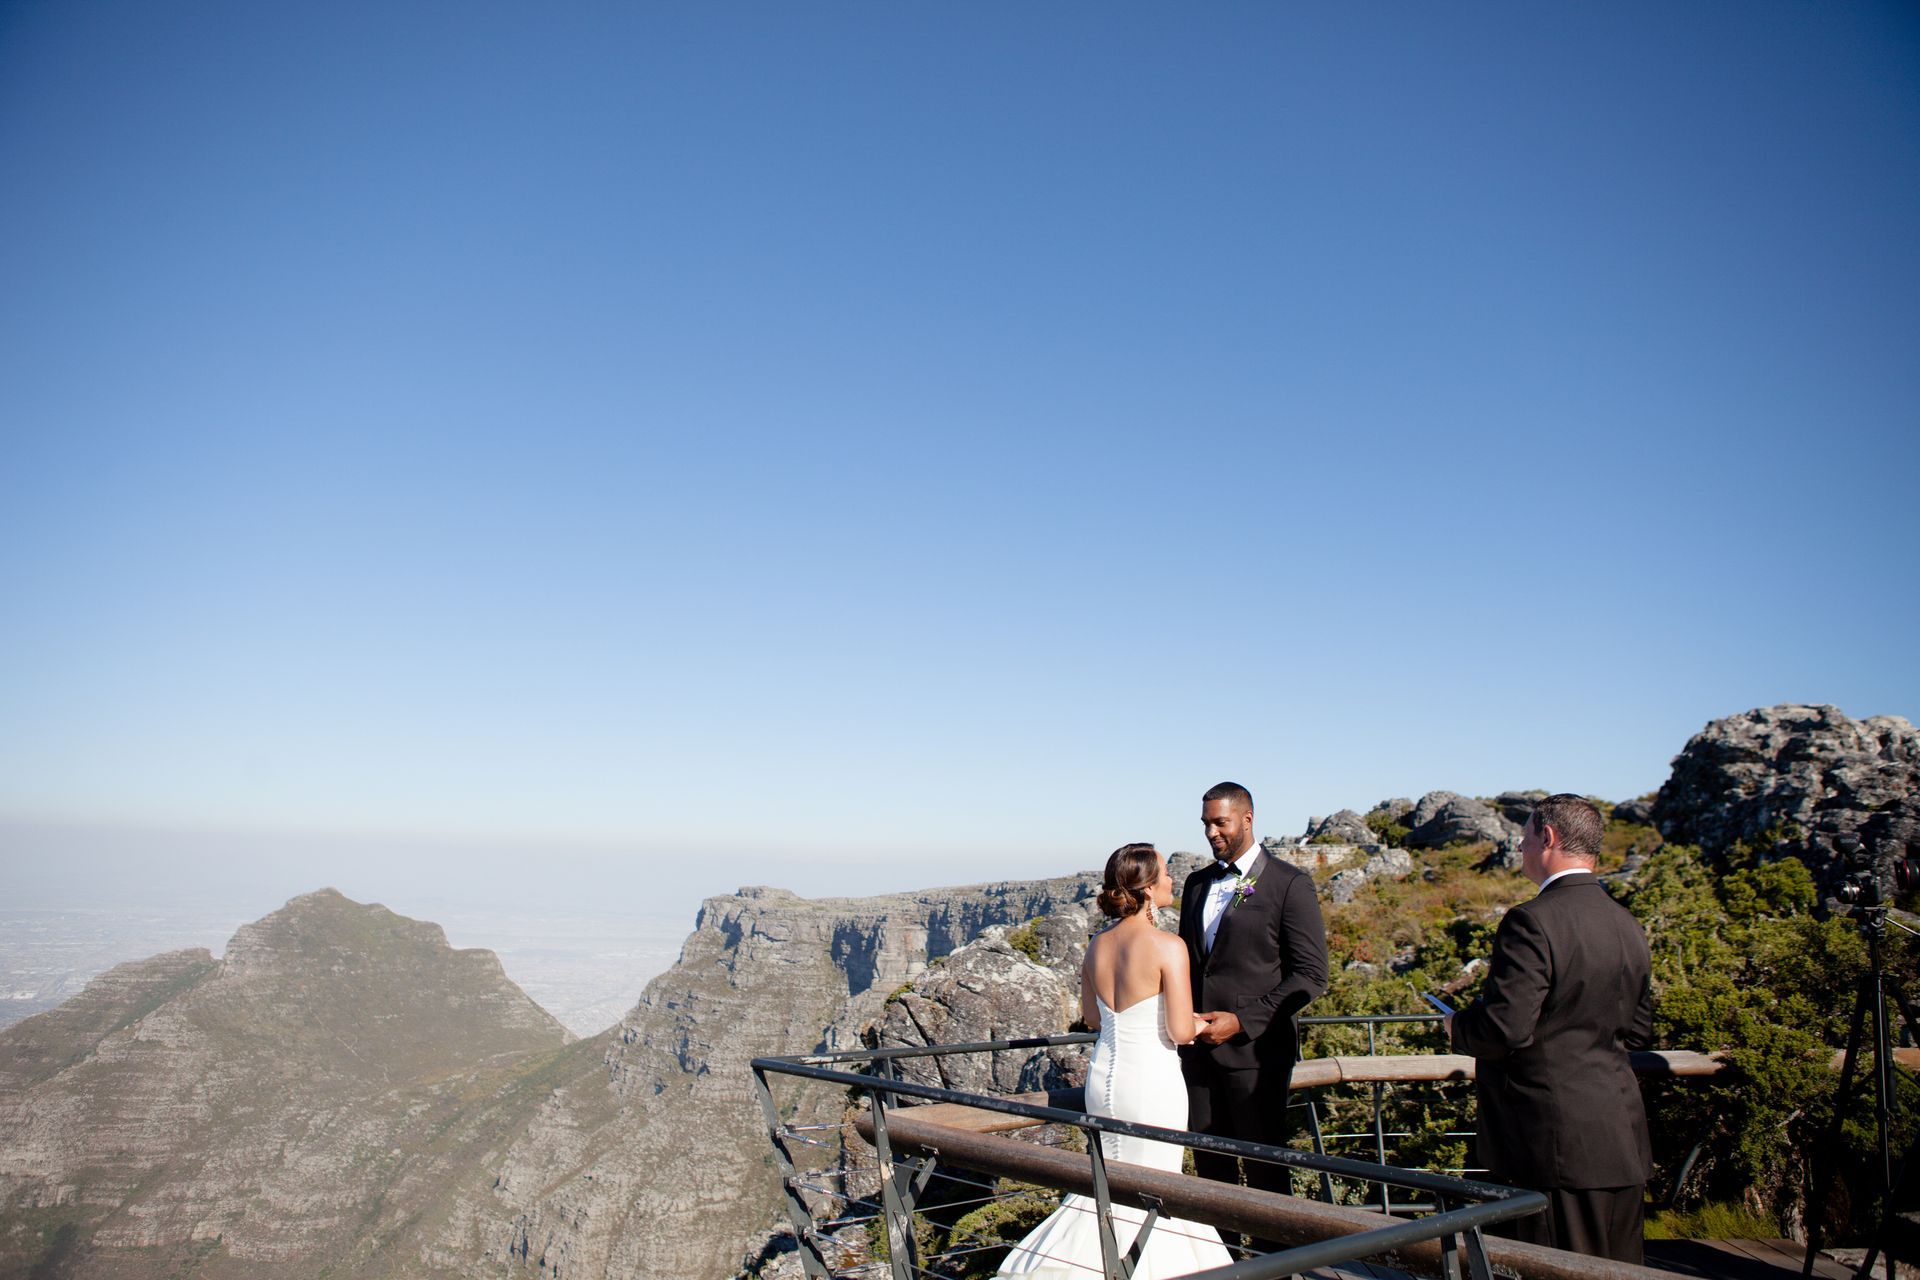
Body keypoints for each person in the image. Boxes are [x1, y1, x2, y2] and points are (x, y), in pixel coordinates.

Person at [996, 844, 1233, 1280]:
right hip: (1152, 1080)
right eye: (1164, 874)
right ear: (1146, 888)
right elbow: (1180, 1032)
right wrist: (1204, 1023)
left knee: (1108, 1184)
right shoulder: (1168, 946)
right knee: (1159, 1182)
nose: (1171, 881)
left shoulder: (1097, 946)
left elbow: (1091, 1016)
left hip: (1104, 1076)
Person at [1447, 793, 1654, 1263]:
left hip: (1549, 1143)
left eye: (1524, 836)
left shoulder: (1531, 922)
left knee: (1551, 1268)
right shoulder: (1627, 924)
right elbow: (1639, 1031)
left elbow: (1505, 1029)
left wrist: (1457, 1026)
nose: (1519, 846)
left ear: (1549, 837)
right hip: (1619, 1136)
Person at [1178, 782, 1328, 1237]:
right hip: (1198, 1056)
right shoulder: (1196, 883)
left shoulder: (1289, 884)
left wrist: (1244, 1020)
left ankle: (1276, 1267)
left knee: (1266, 1176)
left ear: (1247, 819)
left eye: (1219, 822)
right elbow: (1188, 962)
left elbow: (1310, 977)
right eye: (1206, 823)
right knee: (1211, 1176)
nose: (1211, 832)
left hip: (1257, 1057)